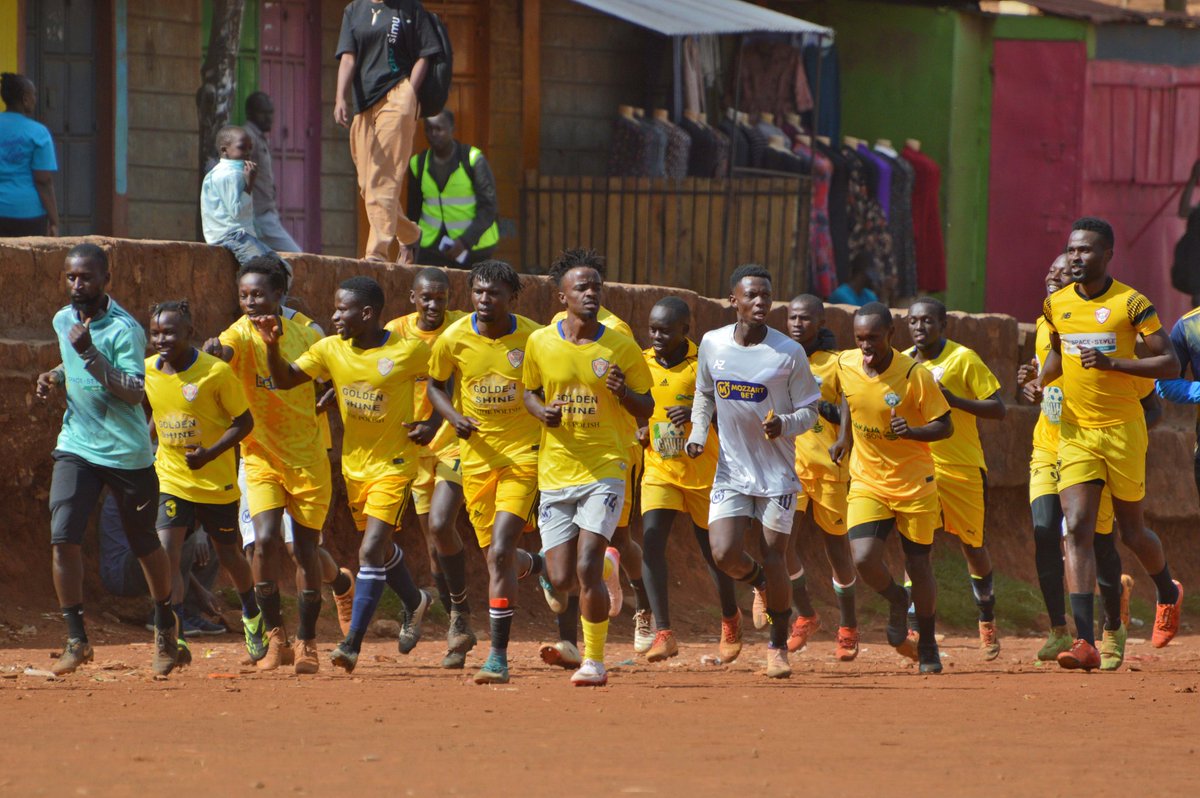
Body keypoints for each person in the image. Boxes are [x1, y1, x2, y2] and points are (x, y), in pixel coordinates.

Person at [1024, 217, 1183, 671]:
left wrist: (1113, 361)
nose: (1076, 257)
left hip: (1123, 429)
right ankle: (1084, 640)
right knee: (1075, 528)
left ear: (1108, 254)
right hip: (1074, 432)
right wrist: (1039, 381)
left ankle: (1168, 592)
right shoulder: (1057, 303)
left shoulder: (1132, 303)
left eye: (1086, 251)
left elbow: (1169, 363)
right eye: (1072, 250)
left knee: (1132, 532)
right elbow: (1057, 352)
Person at [256, 276, 434, 674]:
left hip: (396, 464)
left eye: (342, 309)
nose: (334, 316)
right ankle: (415, 601)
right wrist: (271, 346)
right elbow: (285, 380)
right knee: (380, 549)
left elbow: (445, 377)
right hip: (354, 465)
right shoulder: (330, 349)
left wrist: (434, 421)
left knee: (370, 551)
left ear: (367, 314)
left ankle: (351, 643)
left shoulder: (408, 351)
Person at [35, 243, 181, 676]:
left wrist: (89, 355)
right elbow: (69, 366)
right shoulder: (64, 320)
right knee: (63, 537)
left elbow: (136, 391)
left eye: (86, 277)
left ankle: (165, 626)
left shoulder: (126, 330)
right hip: (77, 444)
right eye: (71, 277)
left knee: (144, 544)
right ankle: (76, 639)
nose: (77, 285)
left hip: (126, 453)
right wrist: (54, 375)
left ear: (105, 280)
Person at [523, 258, 654, 686]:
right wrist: (543, 412)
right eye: (580, 287)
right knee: (561, 578)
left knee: (585, 566)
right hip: (557, 469)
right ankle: (606, 570)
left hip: (605, 467)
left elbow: (647, 406)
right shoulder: (541, 342)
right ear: (562, 297)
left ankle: (594, 661)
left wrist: (624, 393)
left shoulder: (621, 346)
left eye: (596, 286)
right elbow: (529, 392)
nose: (590, 293)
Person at [687, 264, 821, 679]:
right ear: (734, 301)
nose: (761, 302)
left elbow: (811, 411)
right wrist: (696, 432)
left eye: (767, 295)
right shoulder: (712, 344)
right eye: (752, 295)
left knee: (775, 553)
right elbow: (705, 393)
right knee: (723, 552)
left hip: (777, 473)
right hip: (730, 469)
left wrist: (784, 423)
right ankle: (760, 583)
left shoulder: (788, 353)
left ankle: (777, 646)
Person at [203, 259, 331, 674]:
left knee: (306, 551)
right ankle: (277, 638)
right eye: (244, 295)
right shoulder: (236, 334)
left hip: (307, 457)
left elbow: (328, 381)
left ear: (279, 296)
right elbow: (224, 352)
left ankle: (308, 641)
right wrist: (214, 355)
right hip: (259, 455)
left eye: (258, 294)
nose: (250, 302)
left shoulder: (308, 333)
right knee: (262, 541)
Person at [427, 259, 548, 684]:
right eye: (478, 292)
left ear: (512, 298)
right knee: (496, 556)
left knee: (498, 553)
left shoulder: (534, 337)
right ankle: (541, 566)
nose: (484, 300)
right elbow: (434, 383)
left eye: (493, 293)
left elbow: (547, 385)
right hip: (475, 460)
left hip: (523, 456)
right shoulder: (454, 337)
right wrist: (451, 415)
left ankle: (497, 656)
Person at [1019, 255, 1135, 670]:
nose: (1053, 277)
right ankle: (1059, 631)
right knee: (1044, 529)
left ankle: (1111, 627)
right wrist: (1031, 386)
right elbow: (1043, 381)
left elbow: (1145, 396)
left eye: (1063, 274)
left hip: (1089, 445)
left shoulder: (1105, 330)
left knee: (1094, 539)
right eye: (1050, 272)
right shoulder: (1045, 325)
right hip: (1048, 444)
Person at [829, 302, 952, 674]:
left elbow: (945, 426)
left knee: (919, 565)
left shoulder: (915, 375)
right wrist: (843, 437)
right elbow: (849, 398)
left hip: (914, 484)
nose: (866, 346)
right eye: (860, 338)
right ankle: (898, 601)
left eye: (874, 339)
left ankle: (927, 643)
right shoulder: (845, 364)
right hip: (868, 480)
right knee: (864, 558)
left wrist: (912, 432)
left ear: (891, 336)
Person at [144, 299, 265, 662]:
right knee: (167, 553)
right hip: (172, 477)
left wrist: (210, 454)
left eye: (169, 332)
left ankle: (252, 613)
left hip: (216, 482)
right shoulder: (148, 370)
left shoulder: (216, 373)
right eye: (155, 333)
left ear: (189, 333)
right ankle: (174, 634)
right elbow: (153, 412)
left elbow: (244, 423)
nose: (161, 339)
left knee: (230, 555)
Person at [637, 296, 743, 663]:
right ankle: (663, 632)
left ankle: (730, 617)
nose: (656, 336)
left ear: (685, 330)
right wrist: (640, 430)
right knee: (651, 543)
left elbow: (733, 413)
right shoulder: (641, 361)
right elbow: (636, 405)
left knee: (715, 555)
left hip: (704, 474)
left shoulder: (705, 364)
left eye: (665, 330)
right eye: (652, 328)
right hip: (660, 469)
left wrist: (700, 415)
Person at [385, 267, 477, 669]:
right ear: (413, 298)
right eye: (427, 298)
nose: (434, 305)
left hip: (452, 441)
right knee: (433, 544)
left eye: (441, 298)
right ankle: (449, 619)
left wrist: (438, 423)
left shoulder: (462, 327)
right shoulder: (396, 331)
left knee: (442, 525)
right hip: (411, 446)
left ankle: (461, 616)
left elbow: (455, 383)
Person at [906, 297, 1007, 659]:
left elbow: (998, 408)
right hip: (919, 467)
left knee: (972, 547)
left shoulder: (963, 359)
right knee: (917, 546)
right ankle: (915, 630)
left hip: (962, 466)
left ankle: (986, 616)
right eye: (914, 321)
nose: (920, 327)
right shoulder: (902, 364)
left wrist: (953, 400)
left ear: (943, 325)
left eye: (928, 321)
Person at [335, 0, 441, 263]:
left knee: (383, 177)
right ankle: (410, 233)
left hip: (397, 95)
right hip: (363, 101)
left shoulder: (409, 9)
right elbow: (348, 57)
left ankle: (377, 252)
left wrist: (410, 94)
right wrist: (339, 97)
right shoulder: (354, 10)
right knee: (366, 185)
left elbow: (425, 54)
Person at [784, 295, 860, 661]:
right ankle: (806, 615)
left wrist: (844, 436)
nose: (798, 324)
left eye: (806, 318)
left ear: (821, 322)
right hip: (789, 468)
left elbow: (848, 400)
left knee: (836, 550)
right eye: (793, 318)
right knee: (781, 545)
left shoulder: (835, 362)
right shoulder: (781, 356)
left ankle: (848, 625)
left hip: (829, 468)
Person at [98, 493, 224, 635]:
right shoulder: (134, 492)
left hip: (147, 561)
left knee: (212, 538)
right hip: (121, 572)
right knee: (181, 536)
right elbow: (162, 552)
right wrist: (199, 590)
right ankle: (164, 616)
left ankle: (189, 613)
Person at [406, 109, 500, 268]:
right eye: (429, 130)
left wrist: (465, 242)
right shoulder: (418, 164)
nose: (433, 134)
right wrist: (409, 242)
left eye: (439, 129)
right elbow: (413, 210)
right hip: (431, 246)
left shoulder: (473, 160)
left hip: (474, 247)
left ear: (452, 129)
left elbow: (489, 207)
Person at [201, 126, 279, 267]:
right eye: (242, 148)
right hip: (231, 236)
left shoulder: (229, 171)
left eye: (250, 148)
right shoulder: (230, 174)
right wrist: (249, 185)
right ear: (225, 150)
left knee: (280, 267)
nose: (248, 153)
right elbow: (237, 212)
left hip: (237, 235)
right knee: (263, 268)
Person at [0, 72, 58, 237]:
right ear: (25, 99)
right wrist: (54, 221)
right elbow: (43, 181)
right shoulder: (38, 133)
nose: (35, 99)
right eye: (34, 94)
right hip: (27, 214)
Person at [244, 91, 302, 253]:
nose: (269, 118)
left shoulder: (259, 137)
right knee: (297, 258)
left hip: (265, 214)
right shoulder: (248, 137)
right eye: (264, 113)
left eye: (271, 113)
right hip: (259, 217)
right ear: (251, 113)